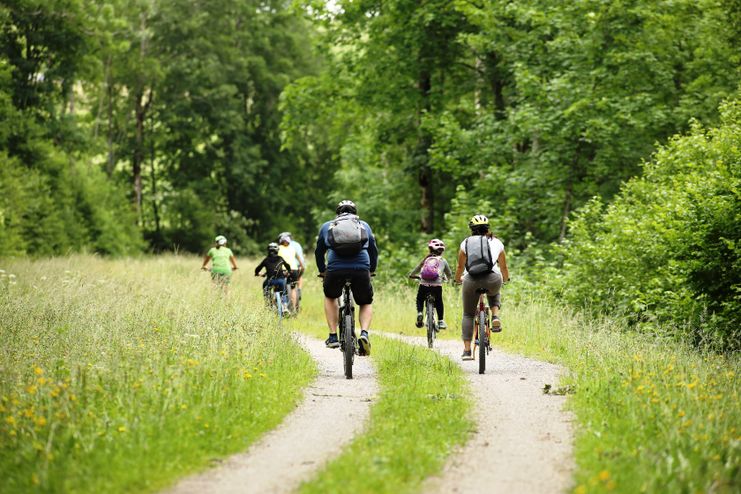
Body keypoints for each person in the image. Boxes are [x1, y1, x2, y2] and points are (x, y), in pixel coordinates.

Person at [315, 200, 377, 355]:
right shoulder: (364, 225)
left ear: (337, 213)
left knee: (330, 296)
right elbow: (373, 250)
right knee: (365, 301)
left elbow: (318, 252)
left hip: (335, 268)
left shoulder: (327, 226)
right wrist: (371, 270)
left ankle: (333, 336)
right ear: (355, 212)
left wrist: (323, 271)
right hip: (361, 267)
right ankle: (364, 334)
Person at [453, 215, 510, 361]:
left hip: (470, 280)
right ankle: (495, 316)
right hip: (492, 279)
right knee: (495, 288)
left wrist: (457, 279)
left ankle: (466, 351)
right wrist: (505, 279)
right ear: (487, 228)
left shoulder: (465, 243)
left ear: (471, 229)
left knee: (468, 314)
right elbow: (503, 266)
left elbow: (460, 266)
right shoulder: (497, 242)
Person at [408, 238, 453, 330]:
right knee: (439, 301)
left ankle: (420, 312)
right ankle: (440, 321)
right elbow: (449, 274)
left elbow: (417, 269)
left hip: (424, 284)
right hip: (437, 286)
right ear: (441, 251)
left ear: (430, 249)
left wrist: (412, 275)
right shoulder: (443, 261)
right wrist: (447, 279)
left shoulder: (426, 260)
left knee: (420, 299)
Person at [254, 242, 293, 313]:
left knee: (265, 287)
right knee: (284, 292)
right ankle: (284, 306)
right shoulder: (280, 258)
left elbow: (257, 268)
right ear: (277, 250)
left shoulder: (266, 260)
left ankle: (268, 305)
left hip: (270, 281)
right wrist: (289, 271)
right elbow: (288, 266)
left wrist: (257, 273)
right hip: (280, 280)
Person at [277, 235, 305, 312]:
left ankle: (283, 306)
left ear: (281, 242)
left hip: (283, 270)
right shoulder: (293, 249)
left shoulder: (278, 248)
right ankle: (293, 309)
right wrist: (302, 267)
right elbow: (300, 260)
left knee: (281, 287)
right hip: (294, 270)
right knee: (293, 288)